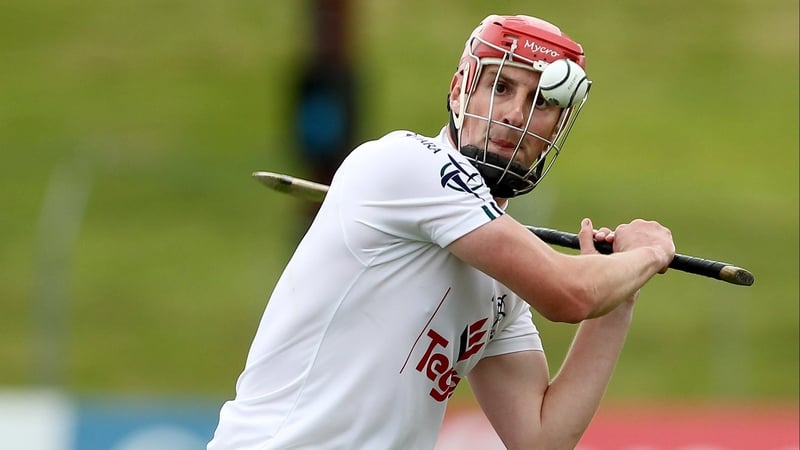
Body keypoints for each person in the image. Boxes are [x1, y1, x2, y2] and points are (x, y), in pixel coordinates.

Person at [208, 14, 675, 450]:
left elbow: (540, 437)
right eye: (501, 86)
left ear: (558, 125)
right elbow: (567, 295)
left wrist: (619, 296)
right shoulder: (409, 164)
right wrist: (649, 255)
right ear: (459, 91)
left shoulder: (500, 279)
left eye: (541, 102)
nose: (515, 114)